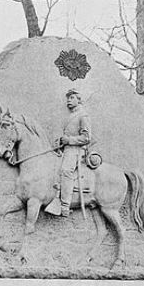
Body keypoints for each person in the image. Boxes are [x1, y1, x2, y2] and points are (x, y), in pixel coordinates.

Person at [59, 89, 91, 217]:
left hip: (77, 150)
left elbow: (86, 138)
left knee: (66, 170)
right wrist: (62, 142)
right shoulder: (71, 116)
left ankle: (64, 206)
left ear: (79, 99)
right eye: (68, 98)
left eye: (72, 98)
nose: (68, 100)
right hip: (67, 149)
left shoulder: (83, 116)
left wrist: (69, 140)